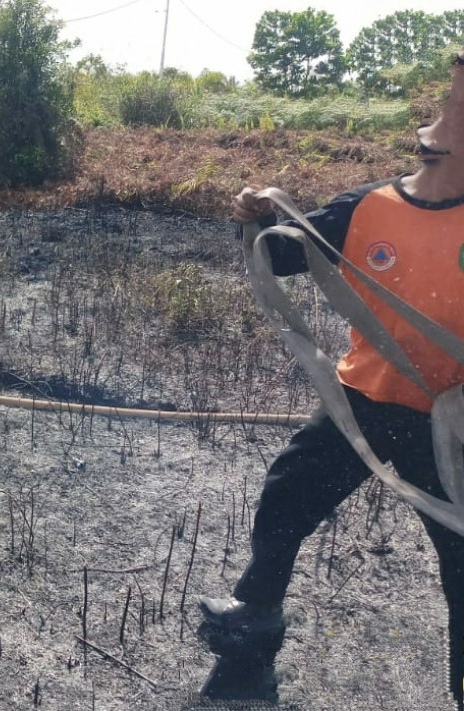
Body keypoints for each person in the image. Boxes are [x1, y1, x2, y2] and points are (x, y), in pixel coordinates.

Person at [196, 51, 464, 708]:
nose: (438, 125)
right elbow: (286, 254)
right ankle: (245, 663)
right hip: (358, 404)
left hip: (448, 426)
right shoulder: (367, 205)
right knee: (284, 504)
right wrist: (255, 216)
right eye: (442, 109)